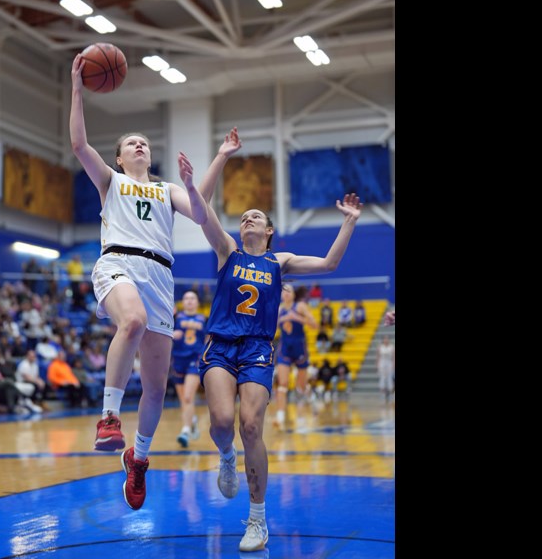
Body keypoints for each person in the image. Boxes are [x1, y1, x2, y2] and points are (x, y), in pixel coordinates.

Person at [193, 127, 363, 552]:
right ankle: (226, 458)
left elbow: (329, 263)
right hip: (221, 345)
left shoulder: (279, 260)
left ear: (269, 231)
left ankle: (256, 519)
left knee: (251, 425)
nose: (247, 217)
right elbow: (200, 206)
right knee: (219, 424)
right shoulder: (226, 251)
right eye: (244, 215)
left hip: (256, 350)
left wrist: (349, 222)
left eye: (256, 216)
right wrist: (223, 155)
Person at [69, 54, 209, 510]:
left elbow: (202, 213)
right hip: (118, 265)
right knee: (130, 322)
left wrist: (207, 170)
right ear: (119, 156)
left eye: (145, 142)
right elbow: (77, 145)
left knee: (154, 386)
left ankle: (140, 459)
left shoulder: (167, 189)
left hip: (160, 276)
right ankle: (108, 417)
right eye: (132, 142)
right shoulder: (109, 181)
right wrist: (77, 86)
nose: (140, 146)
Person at [273, 283, 317, 426]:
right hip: (285, 348)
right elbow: (272, 330)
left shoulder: (300, 307)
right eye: (283, 291)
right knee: (283, 384)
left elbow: (315, 325)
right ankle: (279, 418)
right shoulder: (278, 310)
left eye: (289, 291)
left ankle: (310, 396)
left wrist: (297, 318)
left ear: (293, 294)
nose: (286, 293)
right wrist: (281, 320)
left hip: (300, 348)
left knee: (301, 386)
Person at [171, 290, 207, 448]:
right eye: (186, 298)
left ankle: (185, 431)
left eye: (193, 298)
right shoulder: (176, 317)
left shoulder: (204, 319)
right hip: (178, 359)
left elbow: (209, 339)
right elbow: (164, 332)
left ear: (198, 302)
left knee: (188, 397)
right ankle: (192, 421)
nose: (190, 301)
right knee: (183, 400)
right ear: (182, 302)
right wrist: (172, 334)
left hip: (195, 359)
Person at [378, 335, 395, 403]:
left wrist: (393, 365)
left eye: (387, 339)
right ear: (383, 340)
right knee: (382, 378)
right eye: (385, 339)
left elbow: (393, 357)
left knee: (390, 378)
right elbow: (378, 357)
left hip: (389, 363)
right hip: (382, 363)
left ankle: (391, 395)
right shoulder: (380, 347)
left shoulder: (392, 347)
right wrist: (378, 365)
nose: (386, 340)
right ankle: (383, 395)